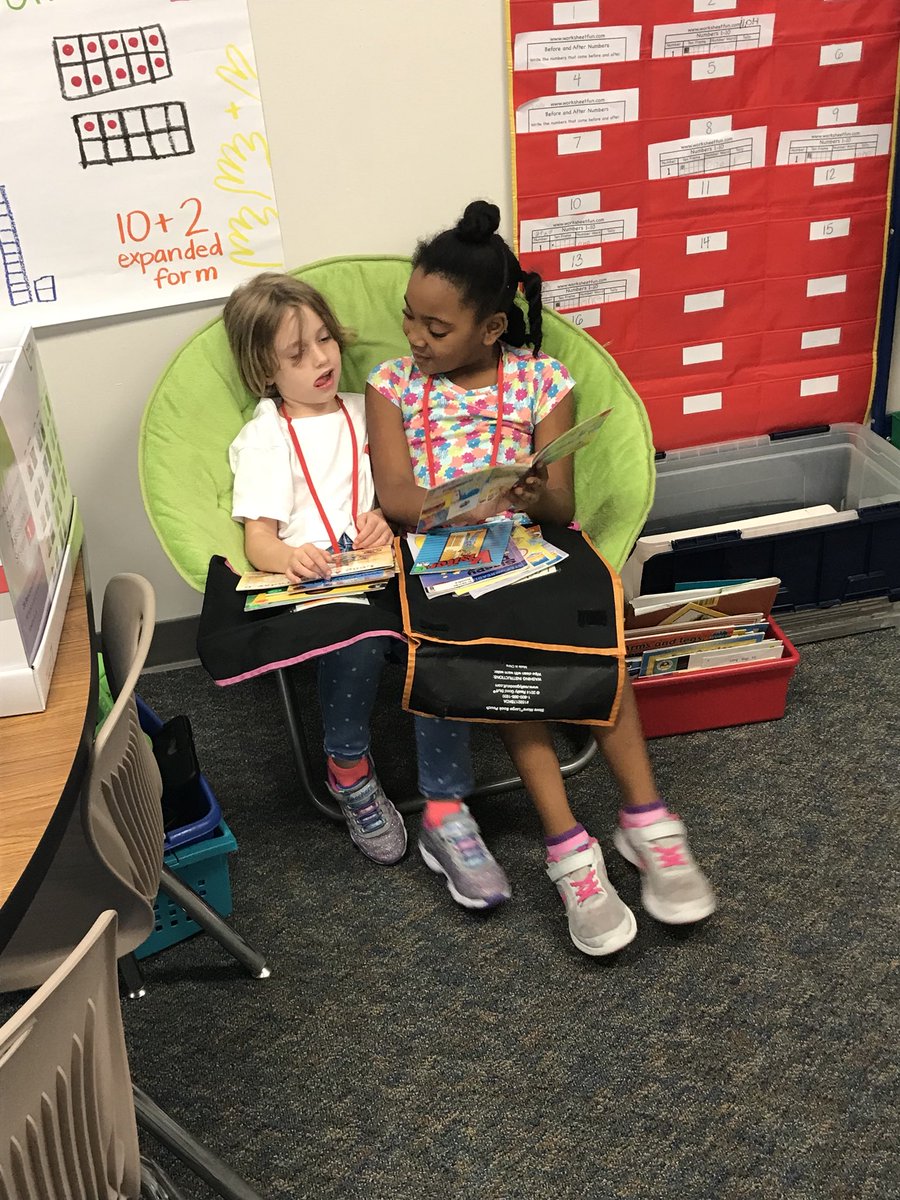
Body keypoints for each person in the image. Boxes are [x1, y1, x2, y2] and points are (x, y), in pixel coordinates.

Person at [365, 201, 716, 955]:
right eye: (411, 320)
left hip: (534, 545)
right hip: (448, 558)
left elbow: (562, 503)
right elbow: (396, 496)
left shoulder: (544, 380)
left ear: (492, 327)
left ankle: (648, 823)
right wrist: (457, 502)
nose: (417, 339)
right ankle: (569, 851)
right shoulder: (391, 384)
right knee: (510, 671)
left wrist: (524, 490)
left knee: (597, 644)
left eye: (437, 327)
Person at [223, 272, 407, 865]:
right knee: (357, 637)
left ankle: (453, 775)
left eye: (325, 339)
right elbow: (259, 542)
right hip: (321, 586)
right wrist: (290, 557)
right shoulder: (266, 437)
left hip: (384, 562)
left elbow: (399, 491)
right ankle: (347, 768)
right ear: (265, 371)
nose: (322, 360)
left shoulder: (369, 407)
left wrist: (383, 514)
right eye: (297, 354)